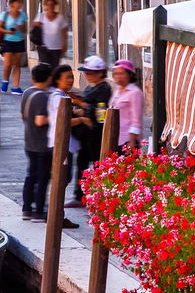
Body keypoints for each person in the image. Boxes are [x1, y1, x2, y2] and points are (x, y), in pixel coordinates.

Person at [45, 64, 88, 227]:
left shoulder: (62, 96)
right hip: (60, 145)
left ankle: (55, 215)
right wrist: (82, 119)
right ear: (58, 80)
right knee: (61, 179)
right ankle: (56, 216)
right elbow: (62, 121)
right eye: (67, 77)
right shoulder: (58, 98)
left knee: (63, 179)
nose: (71, 80)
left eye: (72, 76)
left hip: (63, 144)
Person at [68, 56, 113, 207]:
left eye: (91, 73)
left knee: (96, 163)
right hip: (86, 133)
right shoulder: (90, 87)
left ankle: (99, 195)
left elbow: (101, 111)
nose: (87, 75)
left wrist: (81, 104)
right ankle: (80, 195)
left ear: (100, 73)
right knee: (81, 163)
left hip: (96, 132)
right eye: (86, 72)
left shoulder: (104, 89)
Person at [21, 63, 57, 221]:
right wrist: (57, 118)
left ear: (33, 77)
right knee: (42, 178)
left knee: (31, 176)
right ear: (49, 78)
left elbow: (23, 115)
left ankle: (27, 208)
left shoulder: (27, 92)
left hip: (29, 141)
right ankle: (39, 211)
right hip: (41, 143)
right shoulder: (42, 96)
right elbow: (40, 120)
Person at [109, 59, 146, 150]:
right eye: (116, 73)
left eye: (121, 73)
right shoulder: (118, 90)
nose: (118, 76)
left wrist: (132, 141)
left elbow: (136, 119)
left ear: (129, 74)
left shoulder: (135, 92)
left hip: (127, 139)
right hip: (115, 136)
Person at [0, 0, 31, 94]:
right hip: (8, 40)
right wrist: (8, 31)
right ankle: (5, 81)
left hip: (19, 41)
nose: (20, 4)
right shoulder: (5, 14)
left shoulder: (23, 15)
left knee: (17, 64)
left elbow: (25, 30)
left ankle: (16, 86)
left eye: (21, 2)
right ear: (12, 3)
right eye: (18, 2)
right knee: (8, 63)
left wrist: (20, 27)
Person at [35, 0, 71, 67]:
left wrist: (64, 43)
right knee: (44, 68)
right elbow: (34, 26)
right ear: (46, 6)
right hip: (44, 47)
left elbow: (64, 32)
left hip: (56, 48)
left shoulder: (60, 18)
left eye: (52, 5)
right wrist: (38, 24)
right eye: (48, 5)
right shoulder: (41, 16)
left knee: (54, 68)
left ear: (55, 6)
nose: (50, 6)